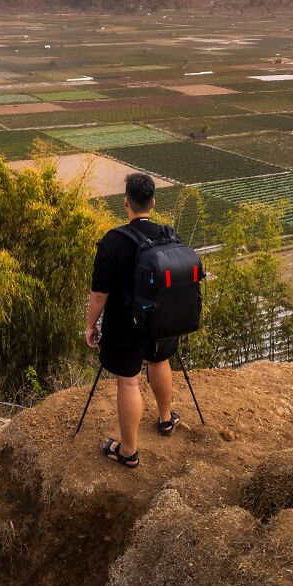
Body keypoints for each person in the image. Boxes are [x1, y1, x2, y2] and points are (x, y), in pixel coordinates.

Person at [86, 172, 180, 468]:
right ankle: (166, 419)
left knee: (128, 383)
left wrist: (91, 325)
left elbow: (100, 294)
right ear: (152, 202)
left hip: (126, 326)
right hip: (162, 322)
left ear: (125, 202)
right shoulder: (168, 234)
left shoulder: (113, 241)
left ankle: (128, 451)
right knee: (159, 362)